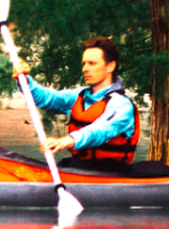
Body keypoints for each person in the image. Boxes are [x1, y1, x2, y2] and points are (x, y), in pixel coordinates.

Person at [13, 36, 140, 171]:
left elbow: (101, 130)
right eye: (84, 63)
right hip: (80, 166)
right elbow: (48, 98)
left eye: (92, 63)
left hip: (111, 171)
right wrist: (25, 81)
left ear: (110, 66)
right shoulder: (80, 95)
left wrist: (66, 141)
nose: (85, 69)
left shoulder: (121, 105)